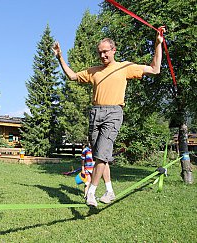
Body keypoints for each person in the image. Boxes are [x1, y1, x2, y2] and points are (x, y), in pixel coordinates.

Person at [52, 27, 165, 207]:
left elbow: (155, 69)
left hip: (113, 113)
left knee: (102, 155)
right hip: (95, 113)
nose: (102, 55)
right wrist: (60, 57)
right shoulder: (94, 71)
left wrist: (158, 44)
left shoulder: (125, 67)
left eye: (105, 52)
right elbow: (72, 76)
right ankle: (110, 190)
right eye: (100, 53)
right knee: (99, 155)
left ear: (114, 50)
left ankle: (91, 192)